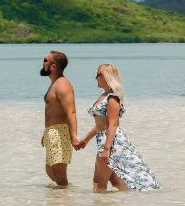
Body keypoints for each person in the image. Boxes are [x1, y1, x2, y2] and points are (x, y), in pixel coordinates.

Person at [77, 63, 161, 192]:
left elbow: (113, 125)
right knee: (115, 180)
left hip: (110, 142)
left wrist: (106, 149)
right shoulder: (104, 96)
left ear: (106, 77)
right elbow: (101, 125)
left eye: (98, 74)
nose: (95, 77)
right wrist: (86, 139)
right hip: (105, 140)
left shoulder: (112, 98)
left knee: (98, 184)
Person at [40, 50, 80, 187]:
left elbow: (71, 111)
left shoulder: (62, 84)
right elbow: (52, 111)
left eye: (45, 60)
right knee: (50, 171)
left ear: (53, 66)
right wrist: (46, 133)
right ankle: (61, 201)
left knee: (59, 175)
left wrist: (74, 136)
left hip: (60, 133)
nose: (42, 63)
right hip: (52, 132)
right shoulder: (55, 83)